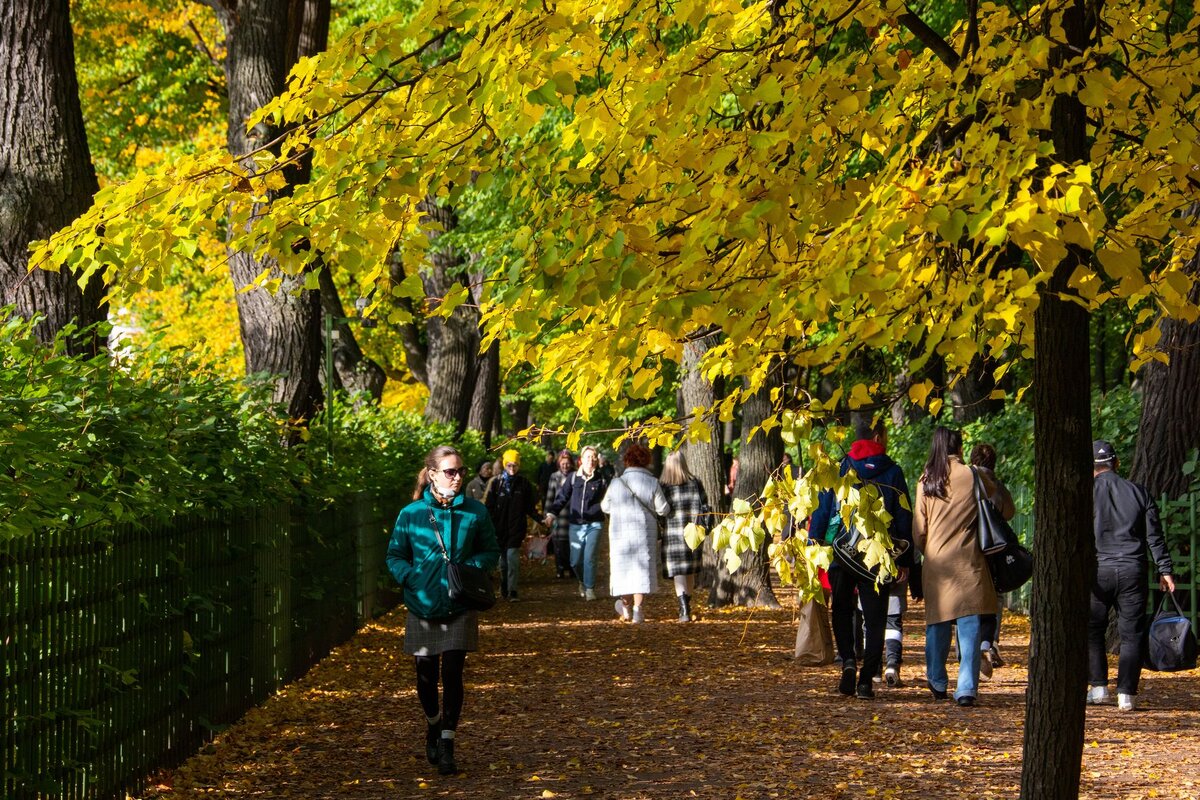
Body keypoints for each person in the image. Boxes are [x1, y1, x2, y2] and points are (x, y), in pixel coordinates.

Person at [386, 445, 500, 776]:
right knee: (424, 675)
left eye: (461, 471)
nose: (458, 477)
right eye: (451, 471)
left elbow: (490, 550)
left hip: (459, 603)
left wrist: (470, 569)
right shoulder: (411, 514)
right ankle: (433, 724)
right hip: (421, 603)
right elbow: (395, 555)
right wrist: (411, 577)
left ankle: (448, 742)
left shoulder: (475, 512)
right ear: (433, 474)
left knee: (452, 672)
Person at [808, 419, 913, 700]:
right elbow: (903, 516)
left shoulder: (842, 467)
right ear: (878, 436)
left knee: (841, 609)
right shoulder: (893, 472)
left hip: (842, 552)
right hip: (876, 556)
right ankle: (866, 679)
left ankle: (848, 662)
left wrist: (814, 544)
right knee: (875, 617)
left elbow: (823, 508)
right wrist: (905, 559)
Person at [913, 426, 1000, 707]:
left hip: (937, 563)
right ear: (960, 448)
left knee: (937, 624)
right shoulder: (972, 476)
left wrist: (929, 549)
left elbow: (919, 530)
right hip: (968, 561)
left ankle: (937, 680)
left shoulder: (926, 480)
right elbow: (1002, 506)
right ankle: (966, 689)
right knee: (970, 624)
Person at [1088, 439, 1175, 711]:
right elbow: (1154, 536)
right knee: (1132, 633)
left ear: (1091, 467)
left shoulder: (1085, 492)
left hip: (1098, 569)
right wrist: (1165, 569)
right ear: (1116, 463)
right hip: (1132, 569)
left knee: (1093, 630)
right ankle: (1126, 693)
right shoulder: (1139, 492)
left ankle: (1099, 687)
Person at [601, 443, 670, 623]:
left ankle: (625, 610)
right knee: (641, 571)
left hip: (620, 535)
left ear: (627, 461)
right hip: (643, 534)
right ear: (646, 461)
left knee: (623, 570)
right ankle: (638, 610)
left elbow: (605, 506)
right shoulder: (652, 482)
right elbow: (663, 509)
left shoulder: (616, 483)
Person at [968, 442, 1016, 678]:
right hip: (994, 549)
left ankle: (967, 647)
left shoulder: (966, 483)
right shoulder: (999, 487)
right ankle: (989, 642)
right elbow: (1009, 513)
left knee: (968, 597)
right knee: (993, 597)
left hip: (971, 548)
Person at [544, 445, 609, 600]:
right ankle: (582, 581)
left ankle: (590, 588)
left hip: (595, 524)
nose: (591, 460)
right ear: (581, 459)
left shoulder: (602, 479)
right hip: (575, 525)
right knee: (575, 561)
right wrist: (551, 514)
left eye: (593, 457)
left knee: (590, 557)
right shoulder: (573, 478)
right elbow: (562, 497)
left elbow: (609, 502)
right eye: (588, 457)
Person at [484, 449, 542, 601]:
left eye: (515, 465)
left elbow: (530, 507)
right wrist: (488, 526)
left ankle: (513, 590)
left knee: (512, 559)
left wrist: (541, 520)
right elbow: (488, 507)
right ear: (504, 465)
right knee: (503, 564)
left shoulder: (524, 484)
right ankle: (504, 585)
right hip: (498, 529)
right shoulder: (496, 483)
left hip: (516, 529)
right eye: (509, 465)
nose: (512, 468)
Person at [659, 450, 709, 622]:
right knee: (689, 571)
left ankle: (684, 609)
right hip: (693, 532)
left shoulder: (664, 486)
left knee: (678, 571)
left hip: (673, 533)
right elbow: (705, 507)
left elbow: (660, 512)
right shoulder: (695, 483)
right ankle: (687, 605)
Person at [545, 449, 576, 579]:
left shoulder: (575, 476)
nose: (565, 465)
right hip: (557, 515)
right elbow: (550, 496)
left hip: (573, 515)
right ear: (559, 463)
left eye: (567, 463)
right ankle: (560, 568)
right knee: (558, 544)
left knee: (573, 544)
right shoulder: (554, 476)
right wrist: (547, 515)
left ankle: (572, 568)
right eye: (563, 463)